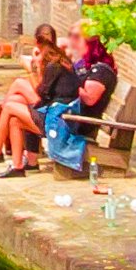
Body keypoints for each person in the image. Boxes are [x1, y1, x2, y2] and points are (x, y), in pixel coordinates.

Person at [0, 26, 74, 175]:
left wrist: (31, 69)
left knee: (12, 102)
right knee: (14, 116)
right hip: (54, 112)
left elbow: (43, 93)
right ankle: (17, 166)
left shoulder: (54, 64)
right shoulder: (55, 59)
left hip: (56, 119)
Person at [47, 32, 124, 175]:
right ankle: (20, 161)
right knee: (15, 110)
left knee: (16, 110)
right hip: (71, 115)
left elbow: (89, 99)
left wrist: (68, 80)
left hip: (78, 122)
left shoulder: (101, 71)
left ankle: (20, 162)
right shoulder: (90, 67)